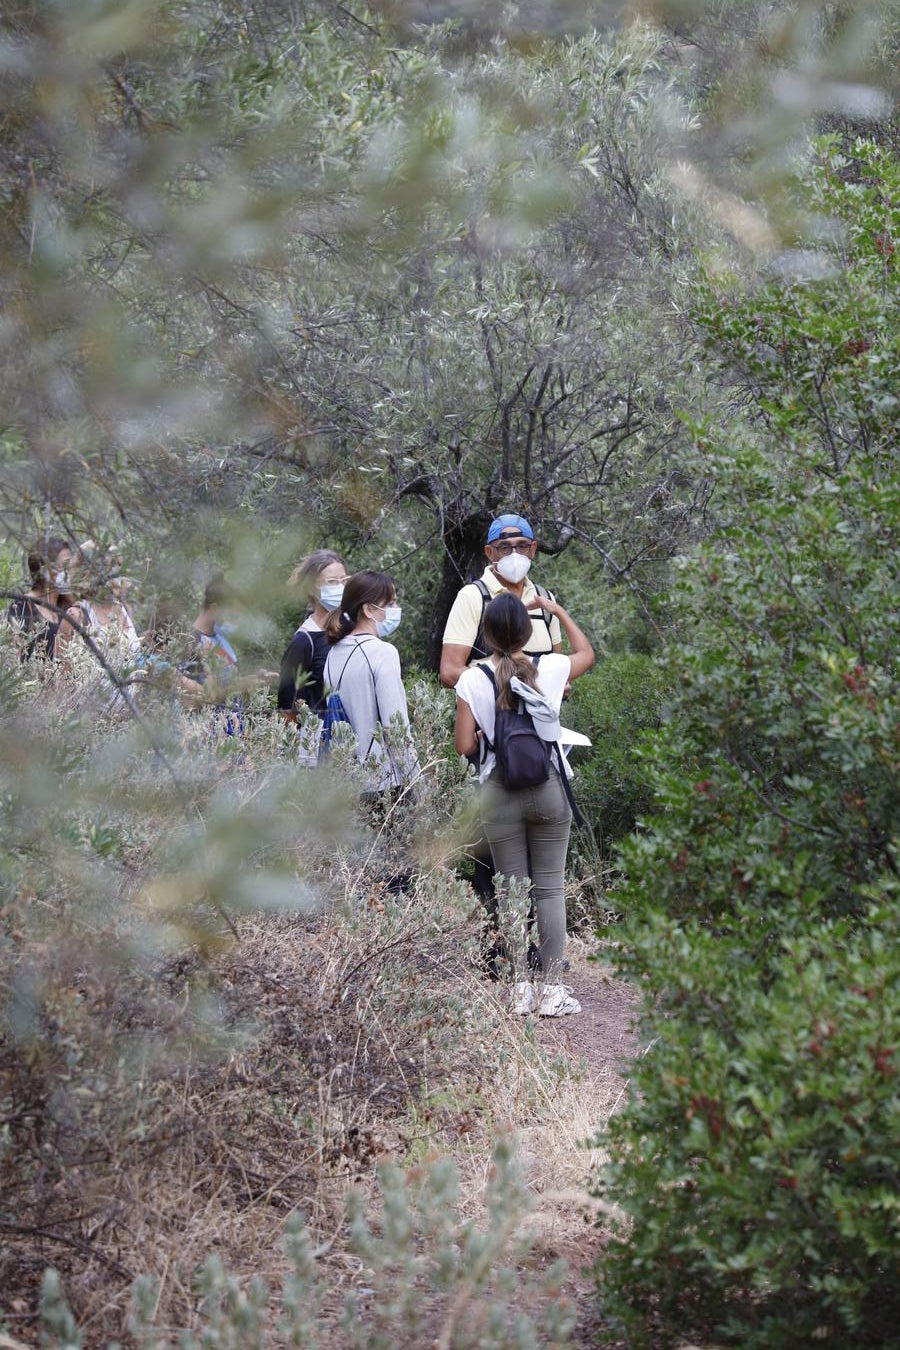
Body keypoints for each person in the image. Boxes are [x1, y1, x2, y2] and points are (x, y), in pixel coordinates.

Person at [454, 591, 594, 1017]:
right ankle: (551, 991)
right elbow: (587, 652)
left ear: (486, 634)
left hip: (498, 792)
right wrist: (557, 611)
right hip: (548, 786)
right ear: (529, 631)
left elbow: (463, 745)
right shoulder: (549, 668)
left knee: (511, 889)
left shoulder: (472, 678)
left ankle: (519, 989)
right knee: (550, 887)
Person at [439, 514, 563, 691]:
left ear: (533, 549)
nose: (514, 554)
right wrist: (515, 688)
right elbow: (450, 672)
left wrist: (561, 685)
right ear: (489, 552)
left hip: (539, 715)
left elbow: (558, 666)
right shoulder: (472, 596)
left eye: (522, 546)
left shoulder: (545, 599)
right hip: (489, 714)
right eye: (504, 547)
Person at [322, 571, 418, 797]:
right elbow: (396, 729)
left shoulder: (332, 654)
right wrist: (418, 785)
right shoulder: (382, 652)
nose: (395, 609)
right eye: (390, 603)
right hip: (384, 784)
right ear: (368, 609)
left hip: (346, 785)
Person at [277, 550, 348, 720]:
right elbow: (287, 707)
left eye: (344, 581)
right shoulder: (304, 642)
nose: (340, 587)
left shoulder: (352, 629)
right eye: (331, 582)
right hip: (321, 740)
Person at [6, 535, 74, 660]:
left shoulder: (67, 608)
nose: (68, 572)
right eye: (64, 566)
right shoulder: (22, 607)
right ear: (45, 570)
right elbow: (13, 657)